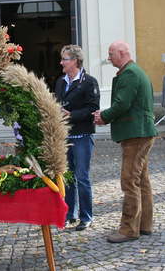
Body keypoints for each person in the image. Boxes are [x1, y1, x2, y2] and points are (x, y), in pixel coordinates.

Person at [93, 41, 157, 243]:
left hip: (135, 134)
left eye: (111, 53)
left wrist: (104, 116)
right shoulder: (136, 71)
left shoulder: (130, 74)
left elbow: (122, 104)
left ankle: (129, 229)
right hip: (141, 132)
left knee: (129, 180)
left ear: (122, 53)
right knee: (141, 181)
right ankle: (145, 225)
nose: (108, 57)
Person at [55, 44, 100, 231]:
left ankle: (86, 216)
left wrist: (70, 114)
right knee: (67, 177)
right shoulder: (60, 81)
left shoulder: (89, 81)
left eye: (65, 59)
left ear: (75, 61)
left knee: (82, 177)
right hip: (65, 135)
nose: (61, 62)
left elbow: (92, 108)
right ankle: (69, 214)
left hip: (82, 135)